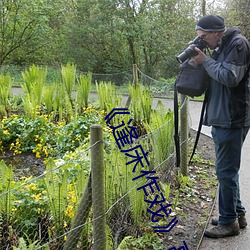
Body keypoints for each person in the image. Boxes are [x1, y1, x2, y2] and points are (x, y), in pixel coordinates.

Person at [192, 15, 250, 238]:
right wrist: (202, 60)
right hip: (222, 117)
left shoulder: (238, 44)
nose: (203, 41)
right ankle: (237, 214)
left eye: (204, 37)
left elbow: (229, 77)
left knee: (225, 171)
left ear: (216, 32)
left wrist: (205, 61)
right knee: (227, 171)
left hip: (232, 118)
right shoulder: (221, 46)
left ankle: (228, 223)